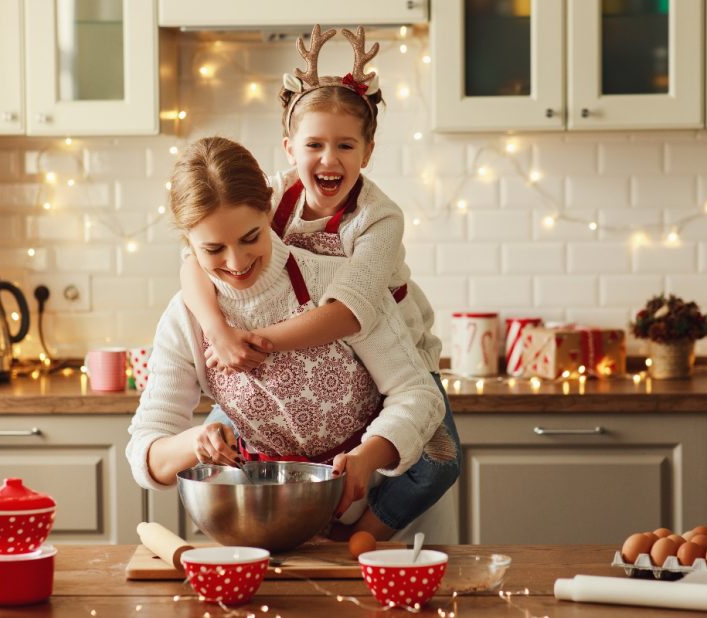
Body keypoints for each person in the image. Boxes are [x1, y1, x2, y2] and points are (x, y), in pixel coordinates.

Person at [178, 25, 461, 541]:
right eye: (314, 145)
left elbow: (350, 312)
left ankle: (364, 534)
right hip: (274, 355)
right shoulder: (270, 196)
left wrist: (256, 344)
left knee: (438, 462)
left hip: (391, 346)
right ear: (289, 148)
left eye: (345, 145)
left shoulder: (379, 219)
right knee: (233, 431)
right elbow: (194, 260)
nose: (329, 160)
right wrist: (219, 331)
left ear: (368, 152)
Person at [127, 137, 446, 538]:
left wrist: (369, 455)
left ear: (269, 208)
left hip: (386, 532)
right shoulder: (184, 319)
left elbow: (418, 394)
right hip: (267, 530)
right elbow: (146, 453)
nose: (236, 262)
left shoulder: (335, 283)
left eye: (250, 238)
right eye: (213, 249)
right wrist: (196, 441)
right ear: (188, 244)